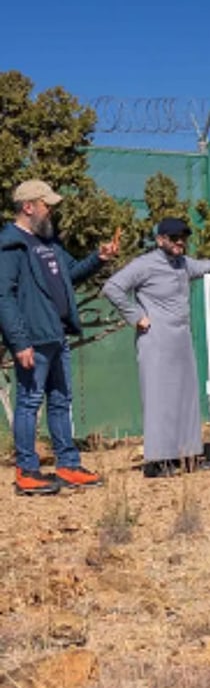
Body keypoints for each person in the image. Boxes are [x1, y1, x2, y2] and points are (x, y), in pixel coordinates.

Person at [101, 217, 210, 478]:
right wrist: (136, 316)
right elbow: (112, 287)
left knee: (185, 396)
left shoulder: (182, 263)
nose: (180, 242)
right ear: (160, 240)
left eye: (183, 237)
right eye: (174, 238)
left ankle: (187, 455)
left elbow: (206, 266)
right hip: (155, 340)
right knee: (159, 398)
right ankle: (158, 461)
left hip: (181, 340)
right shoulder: (145, 264)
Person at [0, 180, 118, 495]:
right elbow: (3, 297)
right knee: (29, 402)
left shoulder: (49, 243)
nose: (51, 210)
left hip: (57, 333)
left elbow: (71, 274)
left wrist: (99, 258)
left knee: (61, 401)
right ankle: (27, 471)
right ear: (28, 207)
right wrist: (19, 342)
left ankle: (68, 465)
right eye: (46, 205)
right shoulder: (11, 245)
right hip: (33, 339)